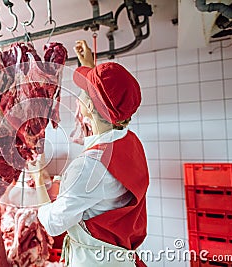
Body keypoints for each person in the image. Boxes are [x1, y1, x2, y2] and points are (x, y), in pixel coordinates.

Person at [32, 40, 149, 267]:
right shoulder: (129, 142)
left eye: (85, 91)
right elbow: (108, 104)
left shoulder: (91, 165)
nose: (80, 94)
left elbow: (53, 223)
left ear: (91, 105)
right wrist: (89, 65)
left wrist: (38, 179)